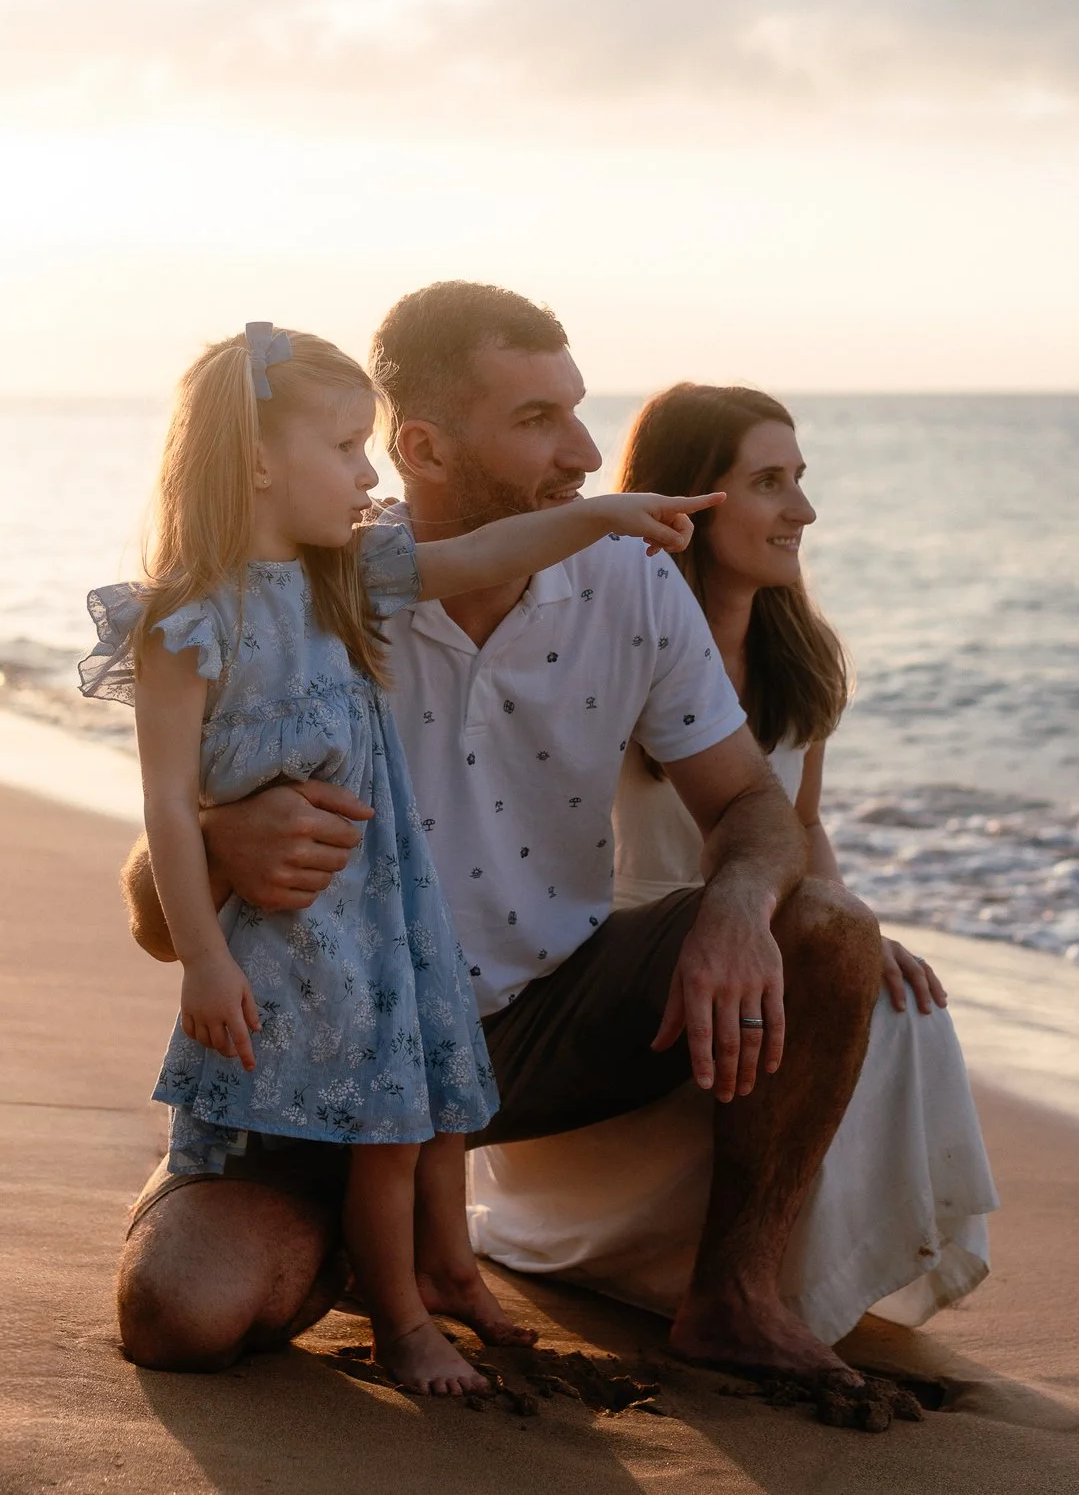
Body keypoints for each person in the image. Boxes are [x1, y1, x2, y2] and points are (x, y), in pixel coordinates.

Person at [114, 285, 893, 1388]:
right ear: (421, 446)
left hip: (541, 1023)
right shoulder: (309, 594)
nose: (582, 450)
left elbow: (755, 809)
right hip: (335, 1033)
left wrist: (732, 906)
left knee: (821, 924)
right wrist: (216, 838)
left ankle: (734, 1298)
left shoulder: (629, 583)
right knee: (180, 1313)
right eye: (536, 421)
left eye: (577, 411)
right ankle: (365, 1229)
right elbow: (157, 912)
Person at [469, 383, 998, 1341]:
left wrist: (840, 918)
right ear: (690, 501)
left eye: (799, 480)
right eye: (768, 482)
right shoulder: (612, 631)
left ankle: (769, 1280)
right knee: (808, 975)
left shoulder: (798, 656)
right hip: (623, 979)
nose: (802, 510)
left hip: (746, 927)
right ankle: (696, 1272)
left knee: (900, 1002)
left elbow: (798, 823)